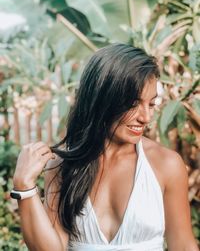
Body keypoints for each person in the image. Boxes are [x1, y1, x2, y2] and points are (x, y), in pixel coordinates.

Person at [12, 44, 199, 251]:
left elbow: (183, 246)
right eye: (133, 104)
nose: (145, 117)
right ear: (102, 100)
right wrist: (24, 186)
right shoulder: (62, 166)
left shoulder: (166, 165)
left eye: (152, 104)